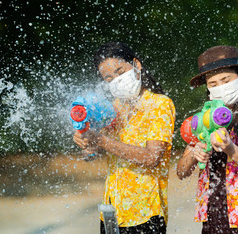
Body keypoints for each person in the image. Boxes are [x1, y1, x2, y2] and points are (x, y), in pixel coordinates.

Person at [73, 42, 176, 234]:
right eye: (108, 78)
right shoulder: (113, 109)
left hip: (145, 211)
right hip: (112, 210)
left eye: (120, 72)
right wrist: (86, 142)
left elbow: (152, 158)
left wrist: (102, 141)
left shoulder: (159, 104)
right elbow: (92, 154)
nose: (116, 80)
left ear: (136, 65)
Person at [176, 46, 238, 233]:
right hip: (212, 219)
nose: (220, 87)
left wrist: (230, 148)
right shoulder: (203, 119)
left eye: (225, 80)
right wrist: (194, 153)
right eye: (213, 84)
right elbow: (181, 172)